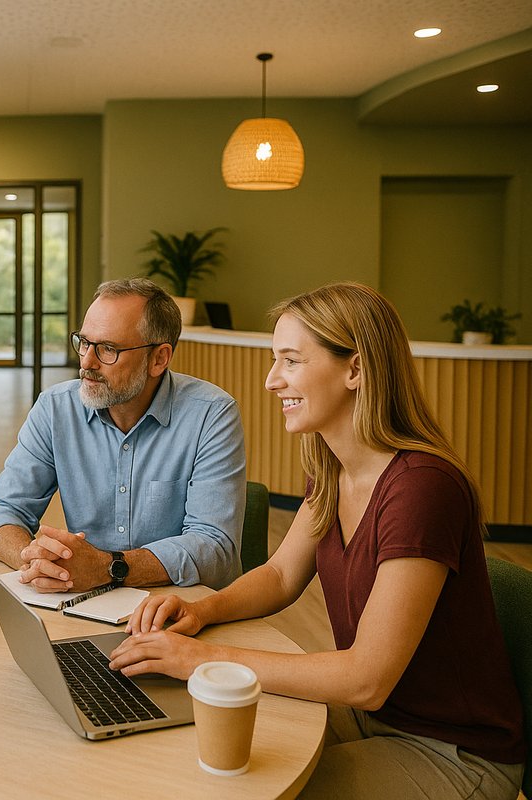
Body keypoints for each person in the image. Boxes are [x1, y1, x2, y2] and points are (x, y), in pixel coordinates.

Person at [111, 282, 524, 798]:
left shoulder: (422, 488)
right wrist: (204, 612)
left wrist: (197, 660)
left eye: (290, 360)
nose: (271, 380)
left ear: (355, 369)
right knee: (203, 755)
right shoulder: (333, 469)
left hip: (451, 750)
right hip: (372, 717)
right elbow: (282, 575)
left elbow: (365, 679)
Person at [0, 277, 246, 592]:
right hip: (85, 598)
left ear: (159, 358)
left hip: (182, 607)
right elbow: (0, 512)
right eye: (84, 342)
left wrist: (108, 568)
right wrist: (34, 558)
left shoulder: (212, 415)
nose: (87, 363)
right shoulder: (55, 408)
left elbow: (215, 549)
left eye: (108, 349)